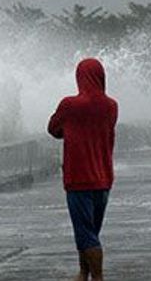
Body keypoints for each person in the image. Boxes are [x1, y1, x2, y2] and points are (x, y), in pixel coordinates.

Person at [48, 58, 118, 281]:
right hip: (103, 178)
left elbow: (53, 129)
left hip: (79, 179)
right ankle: (84, 273)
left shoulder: (69, 105)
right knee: (89, 231)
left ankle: (97, 277)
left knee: (85, 232)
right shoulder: (111, 106)